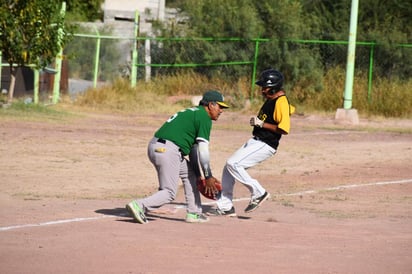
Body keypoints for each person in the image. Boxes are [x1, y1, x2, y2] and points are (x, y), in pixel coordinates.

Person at [126, 90, 229, 224]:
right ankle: (139, 205)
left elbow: (193, 149)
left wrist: (200, 175)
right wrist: (208, 176)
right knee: (169, 192)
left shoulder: (193, 113)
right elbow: (203, 150)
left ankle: (194, 213)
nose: (221, 111)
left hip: (158, 146)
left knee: (190, 174)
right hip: (168, 150)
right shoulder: (204, 117)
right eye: (220, 107)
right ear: (211, 105)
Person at [208, 69, 294, 217]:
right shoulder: (274, 100)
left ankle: (259, 192)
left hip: (266, 144)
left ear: (273, 87)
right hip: (256, 141)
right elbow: (289, 110)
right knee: (228, 168)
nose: (262, 90)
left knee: (233, 164)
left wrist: (261, 124)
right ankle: (225, 206)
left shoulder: (280, 102)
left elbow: (284, 129)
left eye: (265, 87)